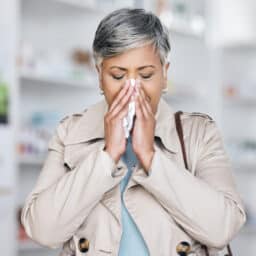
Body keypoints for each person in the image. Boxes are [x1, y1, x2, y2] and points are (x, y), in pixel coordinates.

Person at [21, 8, 246, 256]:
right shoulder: (71, 132)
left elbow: (222, 229)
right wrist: (107, 156)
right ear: (99, 76)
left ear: (165, 74)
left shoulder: (199, 134)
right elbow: (43, 231)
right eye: (118, 76)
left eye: (146, 75)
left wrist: (150, 157)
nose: (132, 89)